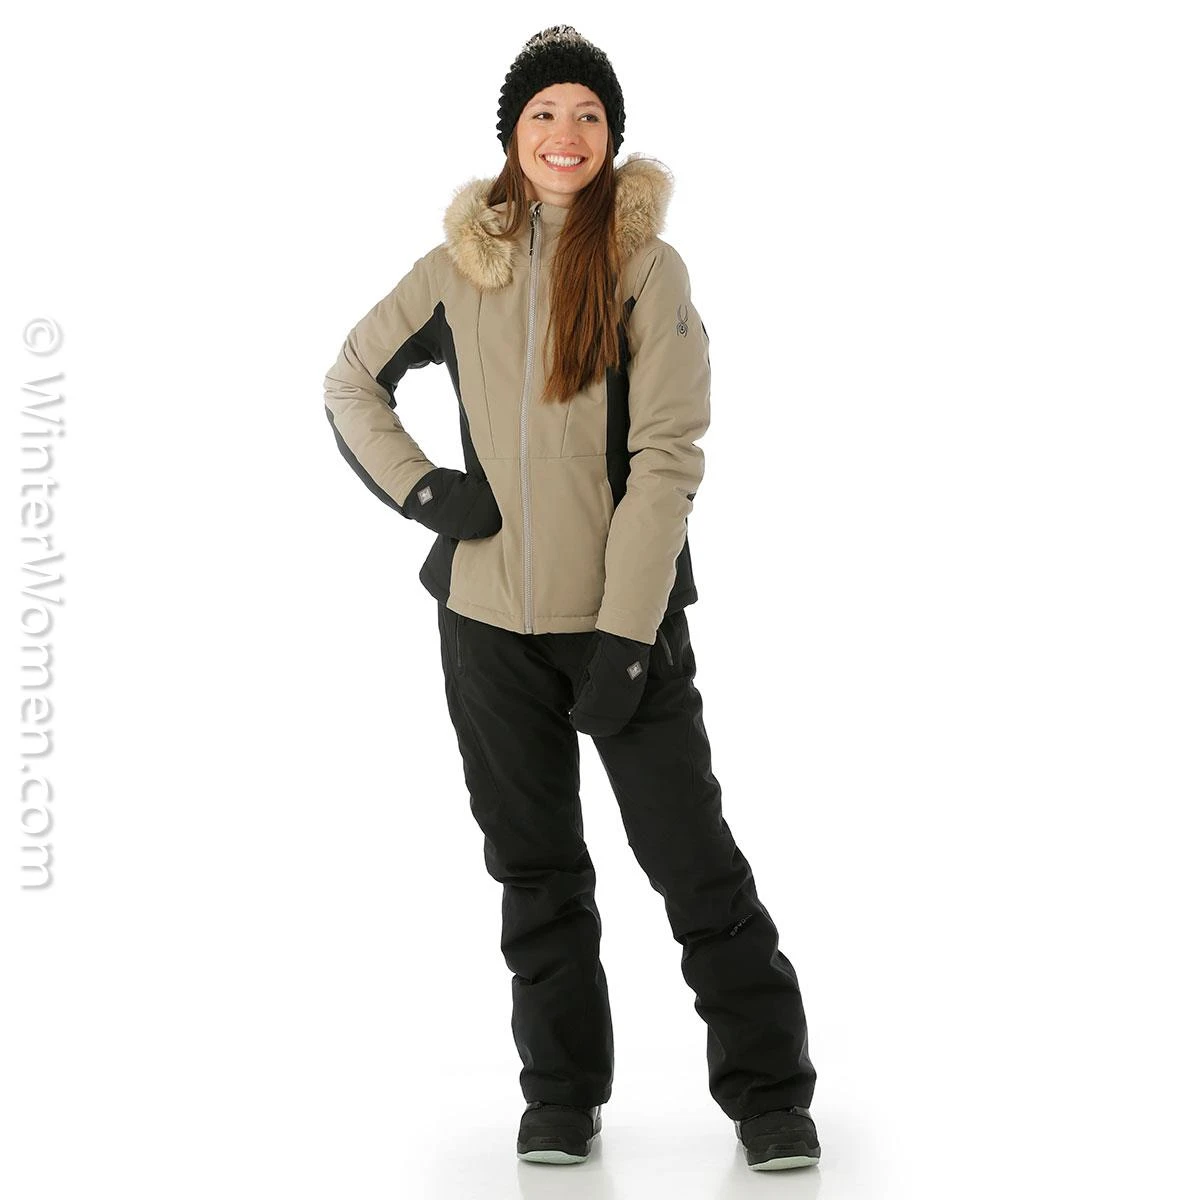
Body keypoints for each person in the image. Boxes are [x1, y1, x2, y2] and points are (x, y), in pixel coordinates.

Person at [322, 24, 820, 1173]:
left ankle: (770, 1100)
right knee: (536, 870)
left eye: (587, 115)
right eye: (544, 113)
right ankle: (559, 1099)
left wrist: (628, 634)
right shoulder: (458, 267)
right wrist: (425, 489)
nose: (565, 133)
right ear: (513, 134)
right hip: (487, 625)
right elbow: (351, 381)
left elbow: (668, 455)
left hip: (621, 627)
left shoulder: (649, 268)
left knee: (692, 861)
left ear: (611, 136)